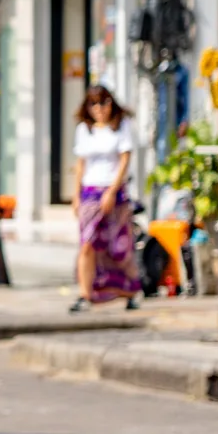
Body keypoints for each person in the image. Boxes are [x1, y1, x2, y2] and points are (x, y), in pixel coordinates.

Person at [68, 85, 142, 313]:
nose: (99, 109)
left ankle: (129, 290)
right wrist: (76, 195)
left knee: (117, 245)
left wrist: (112, 190)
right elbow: (80, 164)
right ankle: (85, 293)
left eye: (103, 102)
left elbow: (124, 159)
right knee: (87, 243)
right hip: (90, 191)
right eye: (94, 104)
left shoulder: (121, 127)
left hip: (115, 192)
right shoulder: (84, 130)